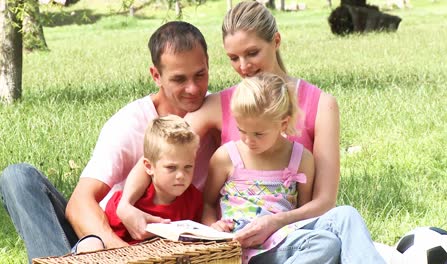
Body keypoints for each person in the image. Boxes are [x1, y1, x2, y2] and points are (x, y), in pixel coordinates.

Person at [117, 1, 385, 263]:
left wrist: (275, 222)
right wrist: (125, 204)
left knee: (346, 217)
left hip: (293, 228)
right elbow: (163, 147)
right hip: (245, 238)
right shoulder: (222, 104)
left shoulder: (321, 104)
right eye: (233, 58)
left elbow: (325, 201)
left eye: (252, 53)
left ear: (276, 41)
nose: (243, 67)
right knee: (330, 247)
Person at [0, 21, 214, 263]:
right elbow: (80, 203)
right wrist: (125, 255)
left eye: (200, 74)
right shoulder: (129, 123)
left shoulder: (218, 115)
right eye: (179, 79)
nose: (193, 88)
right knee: (18, 177)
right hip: (109, 240)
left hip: (181, 251)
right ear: (156, 76)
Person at [203, 73, 384, 263]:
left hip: (286, 238)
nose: (249, 140)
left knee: (347, 215)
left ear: (283, 123)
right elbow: (207, 203)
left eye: (258, 133)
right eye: (241, 130)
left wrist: (275, 222)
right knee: (325, 243)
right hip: (247, 246)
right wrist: (213, 229)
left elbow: (304, 214)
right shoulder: (227, 156)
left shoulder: (301, 158)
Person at [104, 115, 202, 245]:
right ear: (149, 167)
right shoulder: (129, 204)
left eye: (188, 167)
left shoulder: (194, 199)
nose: (181, 175)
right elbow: (107, 243)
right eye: (171, 167)